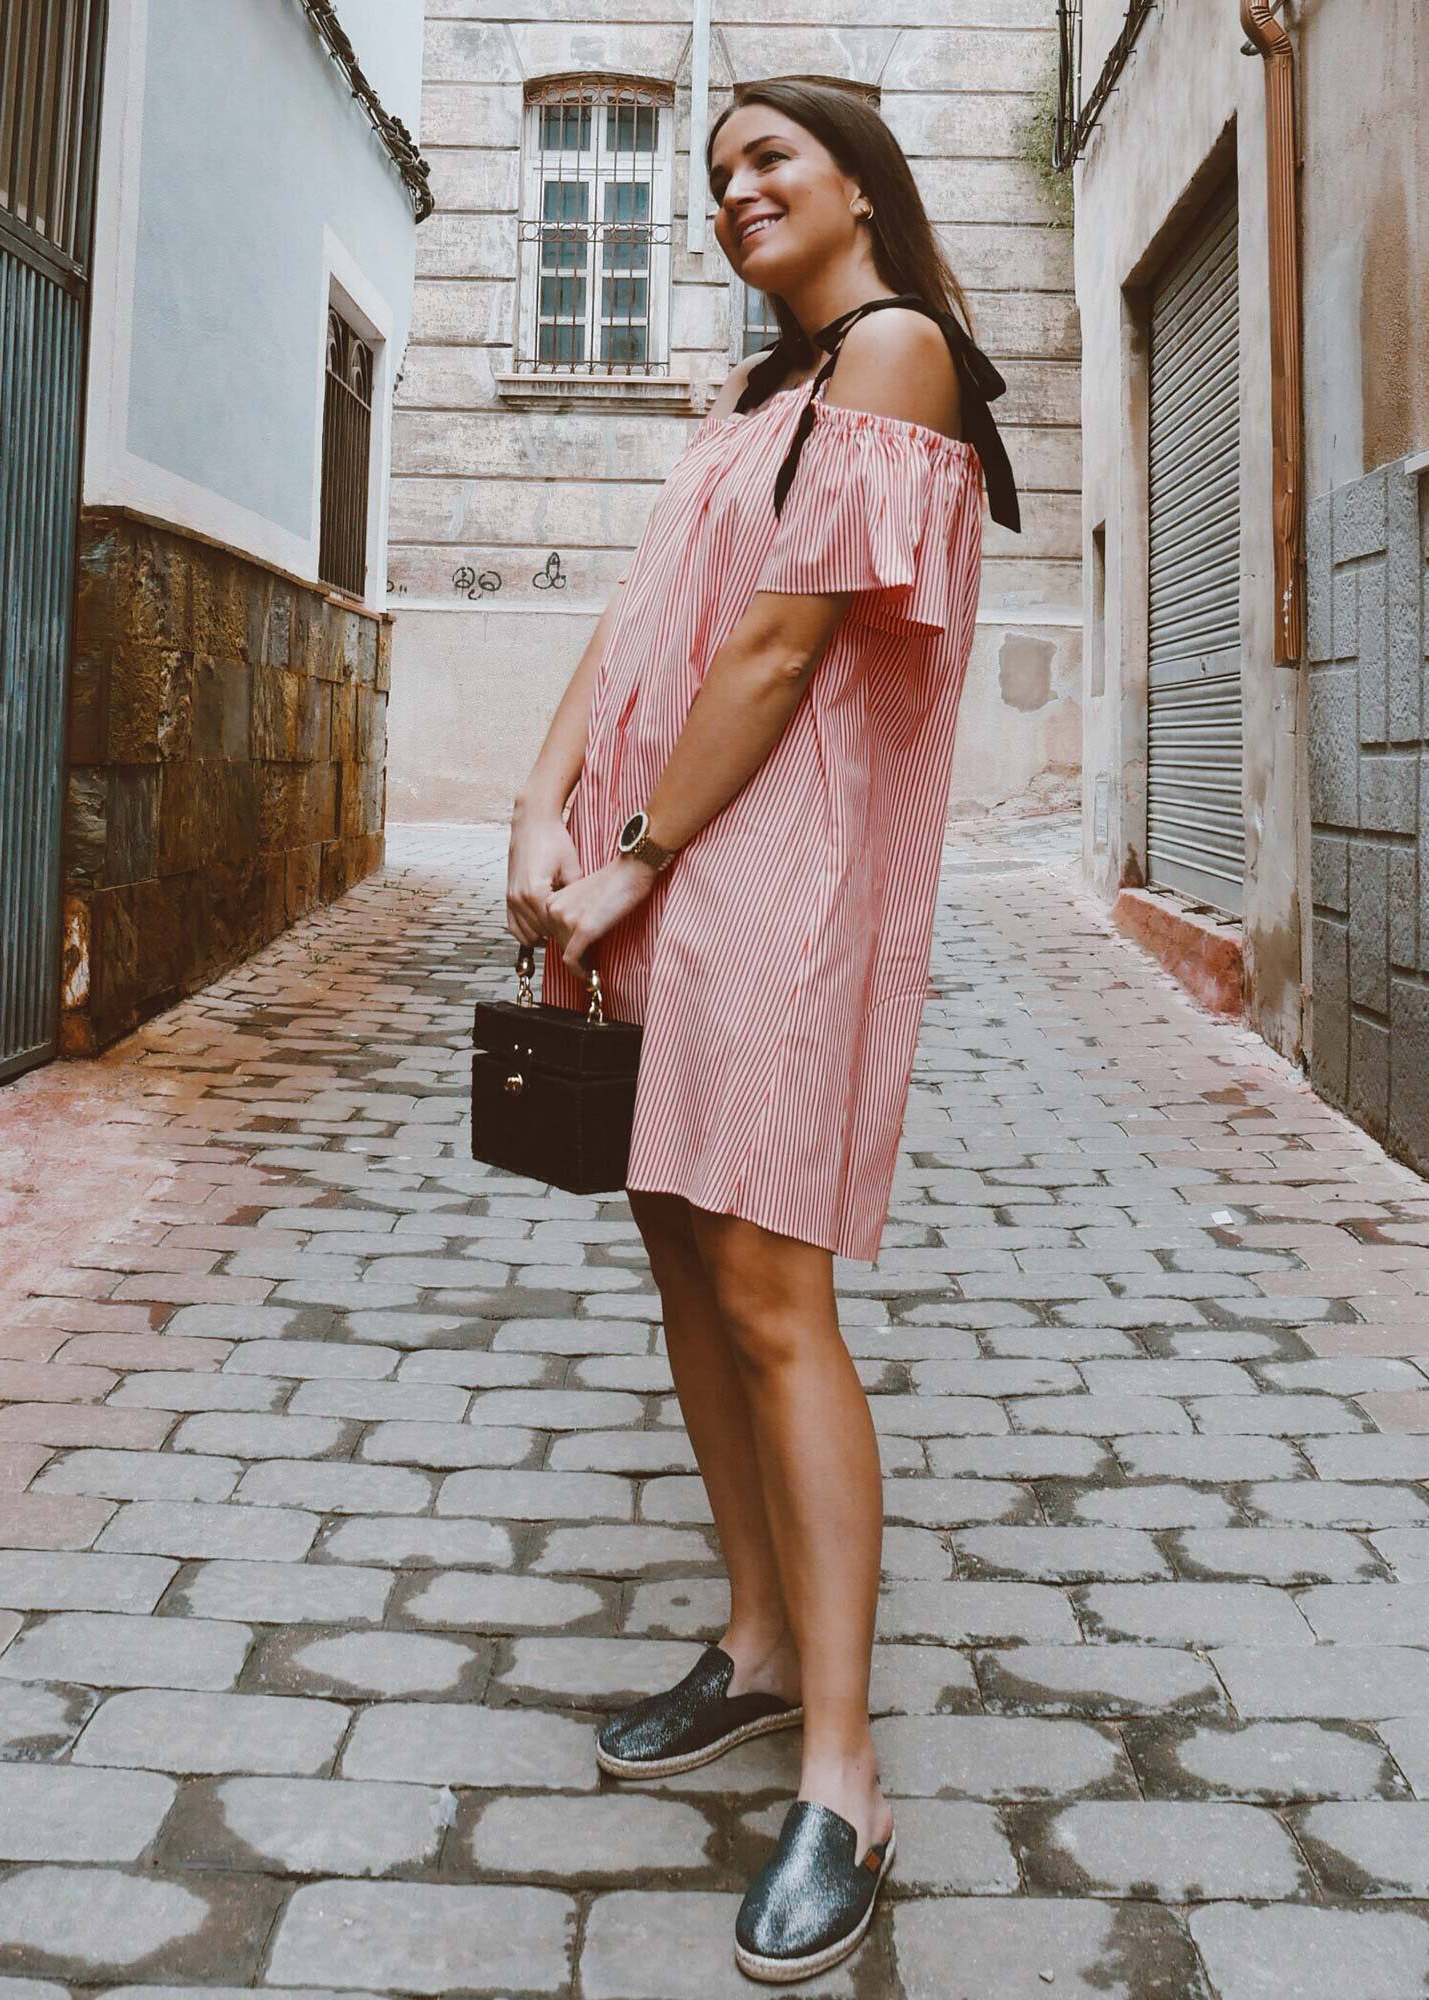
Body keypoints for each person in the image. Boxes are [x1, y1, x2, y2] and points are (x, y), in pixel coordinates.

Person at [504, 77, 1018, 1985]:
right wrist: (538, 802)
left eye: (766, 161)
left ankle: (845, 1773)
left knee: (772, 1281)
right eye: (712, 175)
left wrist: (628, 855)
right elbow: (647, 615)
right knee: (676, 1240)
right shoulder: (754, 393)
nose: (731, 194)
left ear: (862, 185)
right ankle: (754, 1639)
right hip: (647, 866)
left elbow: (786, 650)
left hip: (767, 875)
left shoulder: (896, 356)